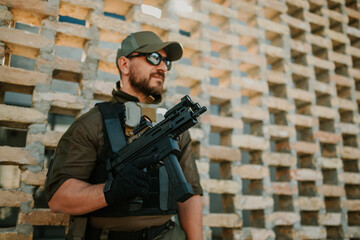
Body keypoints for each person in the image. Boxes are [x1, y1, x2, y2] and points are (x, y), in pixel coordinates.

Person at [45, 31, 203, 240]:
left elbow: (190, 194)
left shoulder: (172, 126)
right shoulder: (92, 124)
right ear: (124, 64)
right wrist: (111, 191)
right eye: (153, 58)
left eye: (167, 62)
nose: (163, 67)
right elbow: (58, 199)